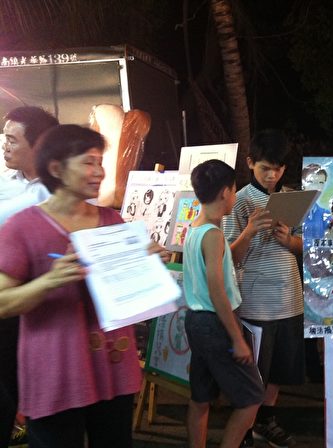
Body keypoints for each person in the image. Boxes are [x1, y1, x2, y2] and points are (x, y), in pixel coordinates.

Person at [0, 124, 169, 448]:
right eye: (89, 162)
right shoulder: (21, 227)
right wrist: (49, 281)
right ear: (56, 168)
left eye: (100, 162)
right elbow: (3, 302)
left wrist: (147, 269)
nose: (99, 172)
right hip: (55, 373)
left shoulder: (112, 221)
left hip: (112, 365)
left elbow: (123, 291)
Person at [223, 130, 304, 448]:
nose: (272, 175)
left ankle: (266, 420)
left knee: (280, 368)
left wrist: (290, 241)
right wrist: (249, 232)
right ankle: (243, 428)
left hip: (290, 297)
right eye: (265, 168)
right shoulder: (239, 201)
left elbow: (306, 246)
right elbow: (227, 256)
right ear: (250, 163)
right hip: (256, 302)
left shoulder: (292, 198)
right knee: (254, 371)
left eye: (278, 169)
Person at [183, 160, 263, 448]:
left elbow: (219, 264)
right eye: (234, 189)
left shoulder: (195, 228)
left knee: (201, 398)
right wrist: (237, 338)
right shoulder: (214, 235)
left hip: (196, 321)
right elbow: (217, 290)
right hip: (215, 323)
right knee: (252, 397)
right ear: (225, 192)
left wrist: (248, 231)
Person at [0, 106, 58, 447]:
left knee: (30, 391)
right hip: (5, 300)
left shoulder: (56, 194)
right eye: (4, 138)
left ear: (39, 146)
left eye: (12, 140)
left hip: (33, 303)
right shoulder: (4, 181)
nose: (4, 146)